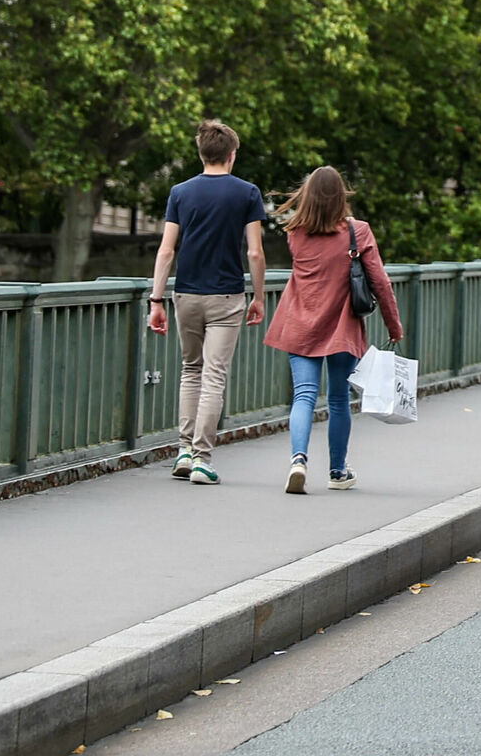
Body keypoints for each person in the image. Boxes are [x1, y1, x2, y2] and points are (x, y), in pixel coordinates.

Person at [263, 166, 402, 493]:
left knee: (304, 395)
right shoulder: (359, 232)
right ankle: (338, 472)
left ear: (307, 196)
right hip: (342, 328)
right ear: (341, 196)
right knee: (338, 399)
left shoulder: (295, 232)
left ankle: (299, 459)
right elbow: (380, 282)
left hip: (300, 324)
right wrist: (393, 325)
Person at [146, 121, 268, 487]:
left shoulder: (180, 193)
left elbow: (167, 250)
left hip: (186, 294)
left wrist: (156, 299)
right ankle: (202, 458)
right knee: (214, 376)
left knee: (190, 370)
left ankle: (183, 450)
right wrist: (259, 297)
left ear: (202, 154)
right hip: (227, 296)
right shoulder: (247, 193)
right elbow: (255, 252)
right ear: (232, 155)